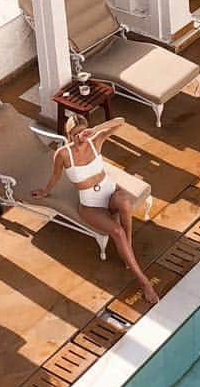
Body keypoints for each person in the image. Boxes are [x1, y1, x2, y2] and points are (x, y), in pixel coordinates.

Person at [32, 113, 158, 307]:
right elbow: (55, 176)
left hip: (109, 190)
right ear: (68, 134)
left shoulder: (95, 140)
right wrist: (44, 191)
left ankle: (128, 247)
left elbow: (121, 121)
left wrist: (95, 130)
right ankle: (144, 282)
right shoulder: (63, 154)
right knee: (116, 231)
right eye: (74, 134)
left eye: (82, 132)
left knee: (124, 203)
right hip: (90, 203)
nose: (79, 137)